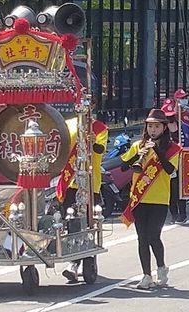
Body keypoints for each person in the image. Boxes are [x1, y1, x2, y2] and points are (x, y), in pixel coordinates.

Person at [120, 109, 181, 289]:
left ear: (164, 128)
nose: (153, 130)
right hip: (139, 198)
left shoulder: (172, 149)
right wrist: (138, 155)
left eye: (157, 126)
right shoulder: (138, 145)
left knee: (154, 236)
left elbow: (171, 171)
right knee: (142, 237)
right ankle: (146, 275)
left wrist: (157, 152)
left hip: (160, 199)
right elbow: (124, 167)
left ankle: (161, 267)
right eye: (150, 126)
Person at [58, 115, 108, 282]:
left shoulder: (100, 128)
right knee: (71, 224)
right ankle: (73, 262)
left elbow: (100, 150)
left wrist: (92, 142)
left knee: (87, 224)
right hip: (69, 182)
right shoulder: (67, 124)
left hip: (89, 183)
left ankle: (83, 261)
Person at [161, 101, 189, 223]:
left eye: (171, 116)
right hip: (167, 164)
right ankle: (173, 214)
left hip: (182, 163)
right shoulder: (161, 130)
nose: (169, 119)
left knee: (180, 190)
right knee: (169, 191)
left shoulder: (184, 127)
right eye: (167, 117)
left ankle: (182, 214)